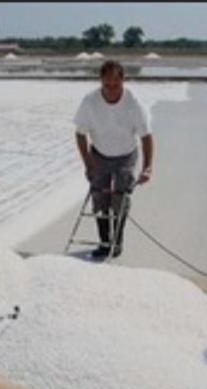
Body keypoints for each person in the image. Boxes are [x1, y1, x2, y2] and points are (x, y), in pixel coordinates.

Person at [73, 60, 154, 259]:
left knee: (120, 199)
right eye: (106, 85)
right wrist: (88, 164)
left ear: (123, 81)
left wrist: (148, 167)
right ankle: (104, 242)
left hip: (126, 155)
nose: (110, 90)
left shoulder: (133, 102)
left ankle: (117, 243)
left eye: (115, 85)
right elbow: (80, 133)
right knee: (99, 199)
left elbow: (146, 136)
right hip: (99, 154)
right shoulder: (90, 101)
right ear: (100, 81)